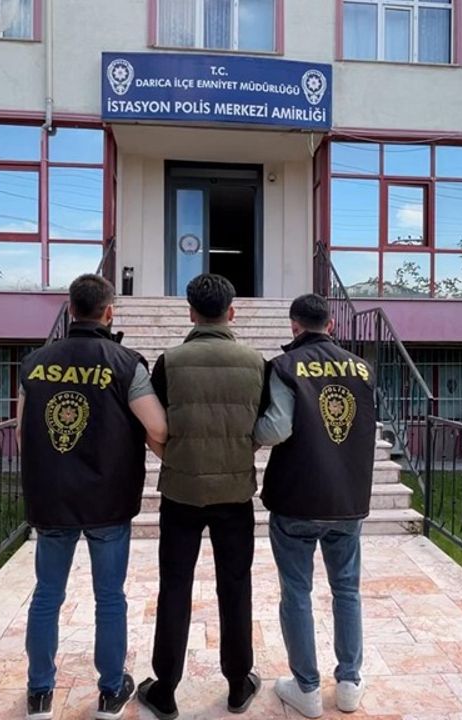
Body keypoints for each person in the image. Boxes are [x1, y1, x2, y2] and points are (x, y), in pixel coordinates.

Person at [17, 274, 168, 720]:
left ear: (70, 309)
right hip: (108, 499)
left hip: (52, 497)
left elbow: (23, 434)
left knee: (47, 595)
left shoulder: (34, 364)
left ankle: (39, 693)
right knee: (109, 597)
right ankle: (110, 691)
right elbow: (158, 427)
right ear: (109, 312)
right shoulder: (125, 363)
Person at [137, 274, 266, 719]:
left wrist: (171, 456)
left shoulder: (169, 362)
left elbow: (154, 425)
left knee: (175, 585)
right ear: (232, 312)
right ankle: (238, 685)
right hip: (235, 492)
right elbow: (264, 425)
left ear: (190, 312)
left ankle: (166, 689)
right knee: (236, 584)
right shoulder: (256, 362)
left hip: (181, 491)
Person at [253, 293, 377, 718]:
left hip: (297, 498)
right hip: (347, 499)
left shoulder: (285, 366)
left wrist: (247, 434)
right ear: (331, 325)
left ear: (294, 326)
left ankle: (306, 688)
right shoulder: (362, 368)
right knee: (347, 590)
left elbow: (276, 429)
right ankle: (349, 684)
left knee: (297, 592)